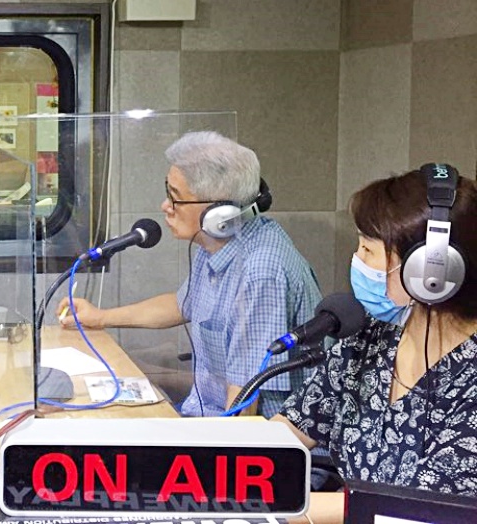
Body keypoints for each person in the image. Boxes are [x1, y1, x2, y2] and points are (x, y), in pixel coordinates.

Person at [57, 131, 322, 417]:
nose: (165, 207)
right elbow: (182, 304)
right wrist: (99, 317)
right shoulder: (217, 242)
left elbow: (243, 406)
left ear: (220, 214)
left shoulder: (262, 272)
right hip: (205, 413)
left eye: (176, 198)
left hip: (254, 435)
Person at [274, 165, 477, 521]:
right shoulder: (370, 335)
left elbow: (415, 508)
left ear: (430, 271)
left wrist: (268, 507)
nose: (356, 261)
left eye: (367, 249)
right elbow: (289, 431)